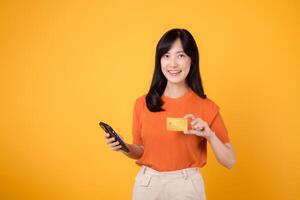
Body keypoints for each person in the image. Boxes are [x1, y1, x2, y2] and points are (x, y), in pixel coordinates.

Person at [104, 28, 236, 200]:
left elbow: (230, 161)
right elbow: (141, 151)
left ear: (192, 59)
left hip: (186, 186)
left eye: (180, 55)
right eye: (166, 55)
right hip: (148, 186)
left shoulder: (206, 107)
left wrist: (210, 135)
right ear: (159, 60)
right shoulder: (142, 104)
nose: (172, 64)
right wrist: (124, 147)